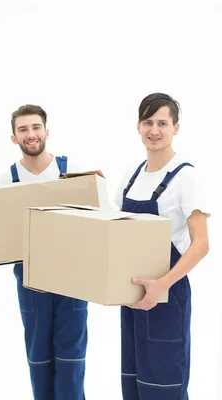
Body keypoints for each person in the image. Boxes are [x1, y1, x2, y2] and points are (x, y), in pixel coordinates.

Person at [0, 104, 88, 399]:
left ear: (47, 132)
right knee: (39, 356)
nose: (31, 134)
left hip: (73, 277)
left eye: (36, 127)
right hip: (30, 277)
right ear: (14, 138)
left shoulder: (73, 173)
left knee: (71, 358)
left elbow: (102, 221)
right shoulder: (6, 182)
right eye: (23, 129)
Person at [114, 93, 210, 399]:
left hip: (167, 297)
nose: (154, 130)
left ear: (175, 128)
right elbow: (119, 235)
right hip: (131, 297)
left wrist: (162, 285)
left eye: (162, 123)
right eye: (147, 122)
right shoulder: (131, 175)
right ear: (138, 127)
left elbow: (201, 244)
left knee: (163, 386)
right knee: (134, 382)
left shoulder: (186, 177)